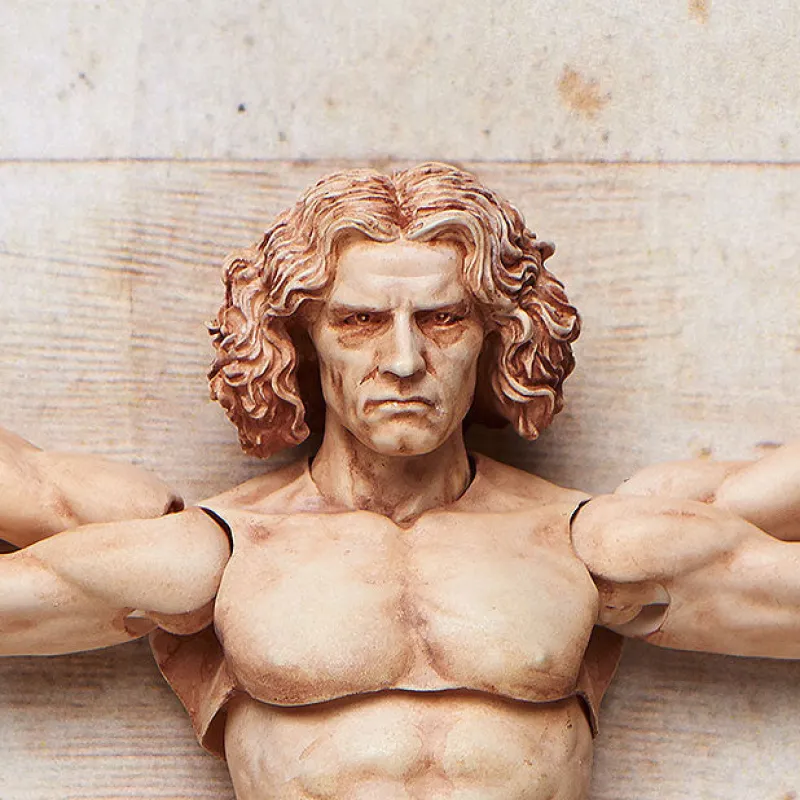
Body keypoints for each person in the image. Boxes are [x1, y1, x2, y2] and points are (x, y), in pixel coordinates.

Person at [1, 163, 798, 800]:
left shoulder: (586, 544)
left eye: (443, 319)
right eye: (359, 322)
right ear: (302, 341)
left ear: (495, 336)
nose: (406, 361)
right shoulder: (219, 552)